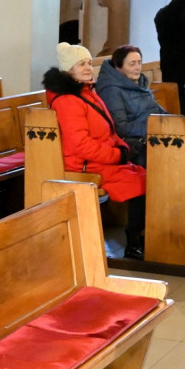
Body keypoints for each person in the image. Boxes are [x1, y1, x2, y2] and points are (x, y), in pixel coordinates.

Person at [43, 42, 146, 259]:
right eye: (81, 64)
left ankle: (142, 236)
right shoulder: (68, 100)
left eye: (89, 63)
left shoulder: (86, 91)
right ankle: (134, 243)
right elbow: (80, 145)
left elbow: (108, 128)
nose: (89, 68)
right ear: (68, 70)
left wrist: (122, 147)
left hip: (100, 159)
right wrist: (117, 155)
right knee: (140, 182)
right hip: (83, 164)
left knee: (147, 174)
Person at [95, 45, 168, 167]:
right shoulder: (111, 90)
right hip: (136, 145)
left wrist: (173, 121)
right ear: (118, 67)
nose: (138, 67)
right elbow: (120, 127)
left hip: (153, 135)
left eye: (139, 62)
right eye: (132, 63)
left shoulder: (140, 83)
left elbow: (156, 109)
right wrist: (154, 127)